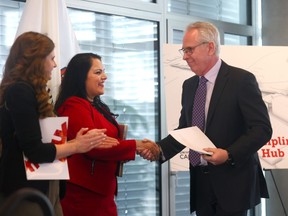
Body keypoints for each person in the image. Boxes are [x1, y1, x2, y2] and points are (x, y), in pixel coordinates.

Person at [141, 21, 272, 216]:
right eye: (183, 51)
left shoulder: (241, 80)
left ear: (210, 47)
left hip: (233, 183)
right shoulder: (189, 85)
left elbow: (262, 129)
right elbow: (186, 130)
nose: (185, 56)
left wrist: (228, 154)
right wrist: (159, 149)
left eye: (189, 50)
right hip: (201, 184)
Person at [0, 32, 119, 216]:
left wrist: (74, 144)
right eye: (52, 58)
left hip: (47, 186)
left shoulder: (31, 91)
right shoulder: (19, 91)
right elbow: (35, 151)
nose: (55, 65)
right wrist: (76, 146)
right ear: (37, 60)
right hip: (27, 191)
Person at [54, 52, 158, 216]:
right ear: (81, 77)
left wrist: (134, 148)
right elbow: (94, 146)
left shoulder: (96, 106)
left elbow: (110, 143)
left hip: (102, 193)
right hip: (83, 197)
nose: (105, 77)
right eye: (98, 72)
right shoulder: (74, 106)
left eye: (104, 71)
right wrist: (135, 145)